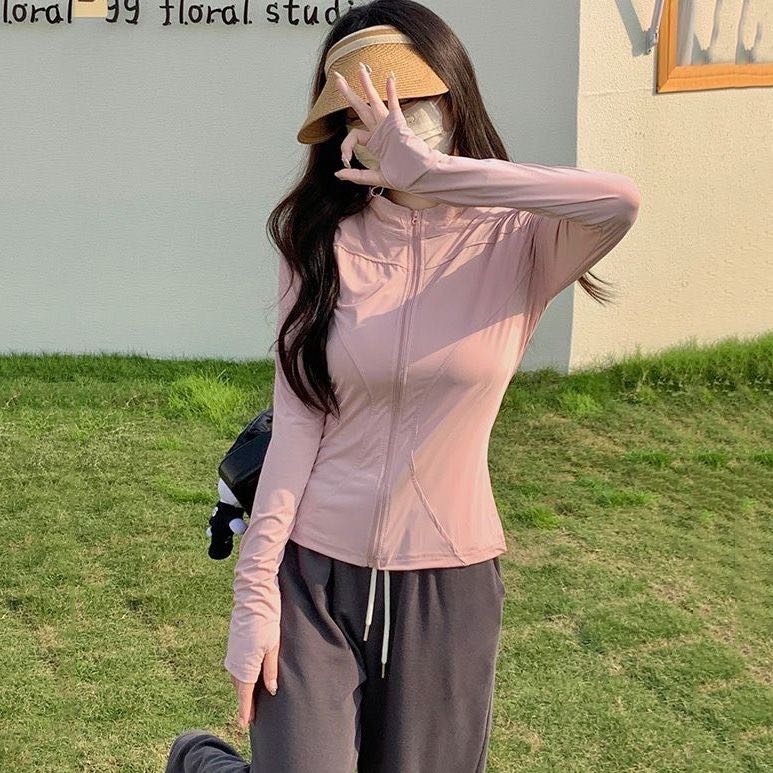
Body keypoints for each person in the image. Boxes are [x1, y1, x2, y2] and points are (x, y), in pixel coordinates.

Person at [165, 1, 641, 771]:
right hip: (314, 574)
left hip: (447, 585)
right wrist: (254, 591)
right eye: (360, 110)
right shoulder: (317, 240)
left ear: (453, 98)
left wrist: (440, 176)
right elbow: (299, 420)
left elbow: (619, 200)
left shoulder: (521, 240)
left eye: (409, 100)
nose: (387, 124)